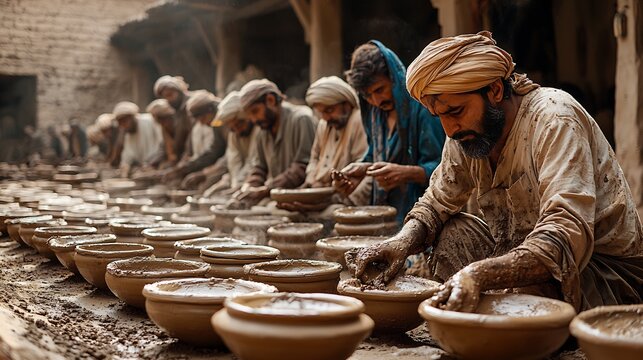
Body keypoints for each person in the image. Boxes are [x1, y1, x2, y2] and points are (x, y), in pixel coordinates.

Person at [346, 31, 643, 313]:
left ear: (496, 90)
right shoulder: (464, 134)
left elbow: (563, 237)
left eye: (456, 111)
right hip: (525, 255)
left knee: (529, 282)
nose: (449, 129)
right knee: (452, 234)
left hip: (603, 273)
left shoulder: (555, 118)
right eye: (439, 117)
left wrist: (479, 274)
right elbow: (436, 204)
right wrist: (400, 243)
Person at [334, 41, 445, 225]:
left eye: (379, 90)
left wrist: (407, 173)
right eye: (368, 95)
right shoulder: (375, 114)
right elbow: (375, 153)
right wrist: (360, 171)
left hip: (425, 217)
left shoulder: (424, 109)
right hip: (387, 216)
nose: (376, 100)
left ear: (395, 79)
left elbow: (447, 169)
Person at [277, 76, 370, 214]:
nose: (325, 117)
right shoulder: (324, 124)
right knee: (280, 209)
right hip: (321, 192)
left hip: (344, 198)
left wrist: (333, 198)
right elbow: (314, 158)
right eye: (321, 112)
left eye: (329, 110)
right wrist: (310, 183)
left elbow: (364, 168)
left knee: (331, 213)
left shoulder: (358, 120)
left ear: (346, 104)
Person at [235, 79, 317, 205]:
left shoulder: (301, 119)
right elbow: (259, 168)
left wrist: (267, 189)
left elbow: (303, 167)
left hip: (302, 197)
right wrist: (249, 186)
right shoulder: (262, 131)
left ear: (270, 100)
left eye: (255, 111)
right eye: (249, 115)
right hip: (277, 195)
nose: (253, 120)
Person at [162, 90, 227, 189]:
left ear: (210, 110)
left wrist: (204, 173)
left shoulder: (224, 119)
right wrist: (186, 167)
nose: (202, 123)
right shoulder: (215, 122)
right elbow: (214, 151)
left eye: (203, 118)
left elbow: (226, 154)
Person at [203, 91, 260, 197]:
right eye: (232, 128)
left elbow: (252, 163)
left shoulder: (258, 131)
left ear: (247, 117)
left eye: (239, 124)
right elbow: (233, 162)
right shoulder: (234, 134)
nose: (237, 130)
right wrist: (231, 183)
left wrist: (239, 186)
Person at [112, 101, 163, 177]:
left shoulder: (150, 121)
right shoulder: (128, 134)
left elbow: (163, 147)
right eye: (120, 123)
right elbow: (128, 156)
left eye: (124, 121)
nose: (123, 126)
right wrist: (126, 166)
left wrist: (150, 164)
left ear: (132, 117)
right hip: (146, 168)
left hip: (159, 163)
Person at [153, 75, 193, 162]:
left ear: (178, 91)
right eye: (165, 97)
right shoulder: (176, 112)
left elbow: (192, 136)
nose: (168, 100)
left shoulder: (193, 104)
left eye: (170, 95)